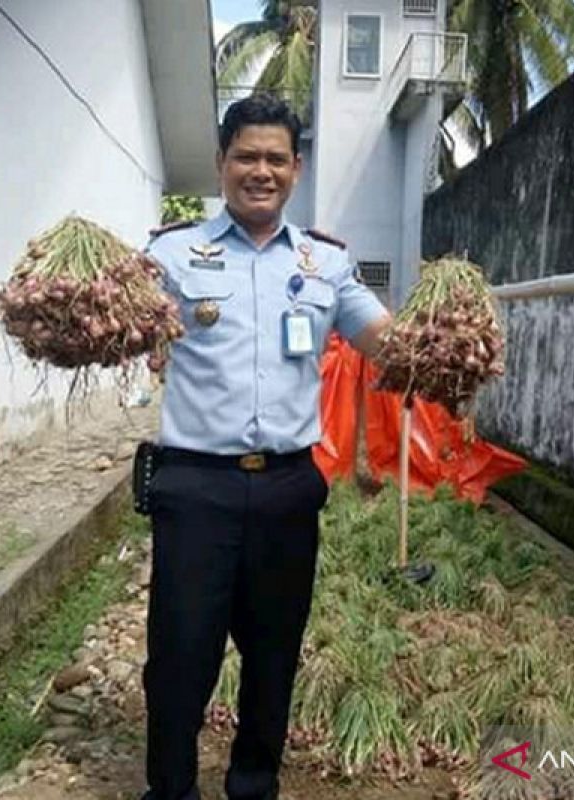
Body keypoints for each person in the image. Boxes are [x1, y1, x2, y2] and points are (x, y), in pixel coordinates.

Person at [139, 94, 391, 800]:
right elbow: (123, 321)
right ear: (221, 164)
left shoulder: (325, 264)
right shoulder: (169, 254)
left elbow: (383, 338)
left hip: (287, 488)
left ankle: (253, 787)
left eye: (275, 158)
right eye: (246, 156)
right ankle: (171, 790)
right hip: (195, 489)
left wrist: (444, 336)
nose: (261, 170)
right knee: (180, 656)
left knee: (274, 655)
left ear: (296, 168)